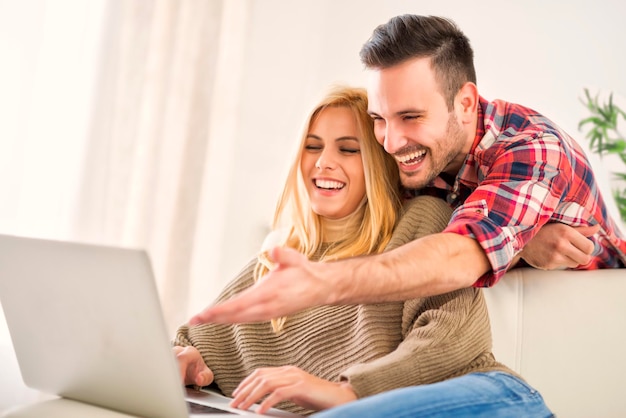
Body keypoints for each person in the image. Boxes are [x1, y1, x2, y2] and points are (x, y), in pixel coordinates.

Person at [189, 14, 626, 328]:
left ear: (466, 103)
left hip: (593, 319)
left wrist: (325, 283)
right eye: (381, 118)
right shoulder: (419, 155)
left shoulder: (534, 150)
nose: (392, 143)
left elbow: (460, 253)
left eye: (411, 117)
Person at [173, 86, 552, 416]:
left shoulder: (421, 221)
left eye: (349, 149)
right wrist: (189, 362)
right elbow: (200, 340)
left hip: (488, 398)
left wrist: (345, 392)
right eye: (312, 146)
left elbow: (451, 342)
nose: (324, 162)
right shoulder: (282, 259)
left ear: (377, 163)